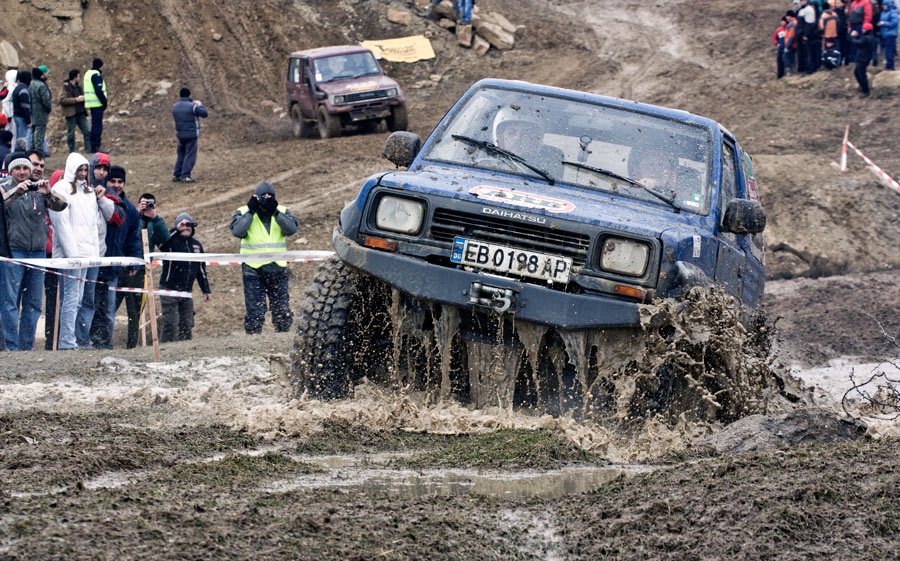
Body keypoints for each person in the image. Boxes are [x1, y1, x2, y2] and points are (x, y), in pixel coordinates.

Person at [0, 151, 65, 350]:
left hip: (37, 251)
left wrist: (48, 193)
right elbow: (2, 204)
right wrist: (16, 193)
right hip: (13, 251)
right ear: (11, 171)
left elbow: (62, 206)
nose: (22, 172)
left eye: (25, 168)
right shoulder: (4, 187)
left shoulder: (38, 187)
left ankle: (27, 344)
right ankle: (11, 345)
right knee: (10, 301)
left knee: (34, 301)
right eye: (18, 168)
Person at [230, 181, 299, 334]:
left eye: (269, 197)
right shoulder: (244, 211)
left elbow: (292, 229)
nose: (266, 200)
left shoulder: (281, 211)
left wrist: (275, 211)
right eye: (263, 197)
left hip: (277, 266)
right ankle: (254, 337)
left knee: (282, 309)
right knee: (255, 310)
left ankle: (282, 335)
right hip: (252, 268)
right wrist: (251, 210)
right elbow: (237, 231)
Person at [47, 153, 101, 350]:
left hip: (87, 253)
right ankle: (66, 341)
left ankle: (73, 338)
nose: (83, 174)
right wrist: (72, 254)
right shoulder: (59, 189)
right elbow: (61, 224)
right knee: (70, 297)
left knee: (79, 299)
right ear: (72, 169)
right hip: (71, 255)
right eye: (80, 170)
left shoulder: (89, 192)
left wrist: (94, 253)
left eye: (85, 170)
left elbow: (93, 225)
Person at [104, 165, 144, 349]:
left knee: (110, 308)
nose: (116, 185)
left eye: (120, 181)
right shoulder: (100, 201)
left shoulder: (130, 209)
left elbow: (133, 237)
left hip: (119, 266)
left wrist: (135, 261)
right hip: (99, 261)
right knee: (97, 306)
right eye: (112, 181)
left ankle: (107, 342)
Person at [157, 212, 211, 342]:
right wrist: (176, 229)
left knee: (187, 325)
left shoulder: (196, 245)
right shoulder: (170, 242)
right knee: (170, 324)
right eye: (183, 224)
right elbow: (161, 243)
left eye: (189, 225)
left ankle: (185, 350)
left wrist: (206, 289)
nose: (186, 227)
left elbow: (201, 270)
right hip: (169, 290)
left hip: (186, 292)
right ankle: (165, 349)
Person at [171, 87, 208, 183]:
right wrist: (199, 105)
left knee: (181, 155)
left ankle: (177, 174)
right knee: (190, 155)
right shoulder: (193, 106)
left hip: (180, 134)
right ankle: (185, 175)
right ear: (189, 95)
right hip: (191, 134)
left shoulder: (175, 106)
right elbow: (204, 114)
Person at [849, 0, 876, 97]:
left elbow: (857, 43)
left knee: (861, 73)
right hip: (863, 57)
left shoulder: (866, 38)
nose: (862, 30)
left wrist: (853, 37)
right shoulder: (869, 37)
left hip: (863, 58)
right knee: (857, 72)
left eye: (864, 29)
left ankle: (866, 91)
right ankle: (863, 87)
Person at [61, 69, 91, 153]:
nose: (79, 78)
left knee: (87, 131)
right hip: (71, 114)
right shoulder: (66, 87)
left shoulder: (78, 87)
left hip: (81, 113)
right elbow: (62, 99)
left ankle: (88, 149)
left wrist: (83, 98)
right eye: (78, 76)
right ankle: (72, 151)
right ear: (75, 77)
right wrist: (75, 100)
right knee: (71, 134)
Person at [84, 58, 108, 153]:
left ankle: (93, 146)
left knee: (94, 125)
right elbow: (98, 90)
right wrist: (104, 102)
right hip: (97, 103)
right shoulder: (96, 75)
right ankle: (96, 146)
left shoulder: (87, 74)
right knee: (97, 126)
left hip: (91, 103)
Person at [28, 66, 51, 156]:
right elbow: (46, 100)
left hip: (32, 112)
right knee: (39, 133)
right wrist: (49, 108)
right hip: (41, 113)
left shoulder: (30, 84)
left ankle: (32, 151)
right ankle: (38, 152)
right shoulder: (41, 85)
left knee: (33, 133)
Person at [11, 71, 32, 148]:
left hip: (17, 116)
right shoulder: (24, 90)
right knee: (22, 139)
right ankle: (21, 153)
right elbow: (25, 107)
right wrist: (28, 121)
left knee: (18, 138)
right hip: (22, 117)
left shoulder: (17, 88)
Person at [879, 0, 898, 70]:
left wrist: (884, 23)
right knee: (887, 50)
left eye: (885, 5)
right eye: (883, 5)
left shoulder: (893, 12)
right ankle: (890, 65)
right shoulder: (883, 13)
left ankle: (890, 65)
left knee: (889, 50)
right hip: (885, 34)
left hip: (891, 34)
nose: (883, 6)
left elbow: (894, 23)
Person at [784, 11, 800, 75]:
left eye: (787, 16)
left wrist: (788, 45)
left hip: (792, 44)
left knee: (785, 56)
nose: (786, 17)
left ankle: (789, 71)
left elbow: (791, 36)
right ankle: (793, 71)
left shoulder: (792, 24)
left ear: (790, 16)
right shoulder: (793, 23)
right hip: (794, 44)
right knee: (793, 58)